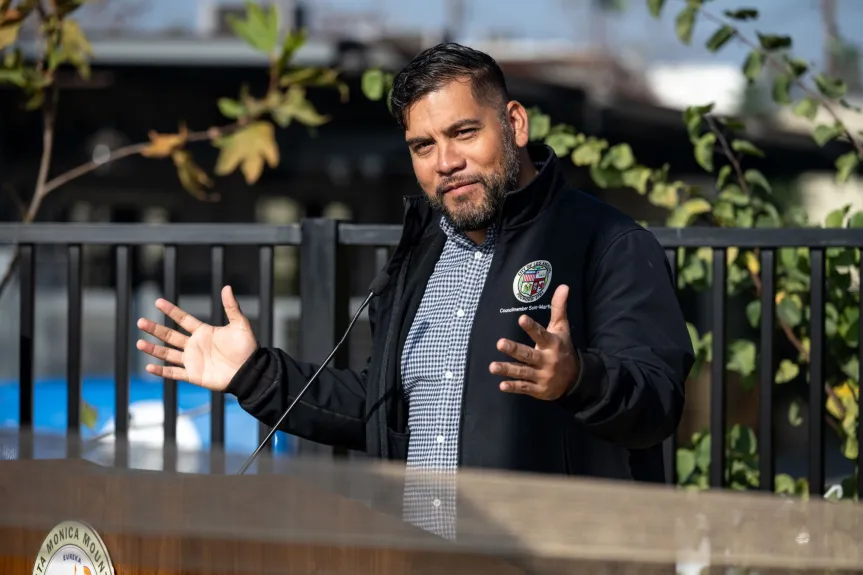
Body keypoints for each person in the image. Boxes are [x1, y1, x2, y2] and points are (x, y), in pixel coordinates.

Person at [136, 43, 694, 537]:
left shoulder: (609, 241)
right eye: (422, 145)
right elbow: (381, 413)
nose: (445, 162)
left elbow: (658, 403)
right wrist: (253, 374)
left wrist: (578, 379)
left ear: (515, 124)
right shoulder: (418, 258)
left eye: (464, 133)